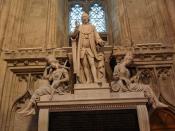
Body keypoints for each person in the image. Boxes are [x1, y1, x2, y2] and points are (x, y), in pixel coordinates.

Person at [71, 12, 105, 83]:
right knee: (85, 65)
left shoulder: (92, 27)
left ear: (88, 18)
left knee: (92, 63)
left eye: (86, 17)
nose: (84, 18)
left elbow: (97, 37)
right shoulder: (79, 27)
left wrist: (100, 41)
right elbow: (73, 36)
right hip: (82, 49)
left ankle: (95, 79)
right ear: (81, 19)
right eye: (83, 17)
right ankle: (88, 80)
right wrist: (76, 28)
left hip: (90, 49)